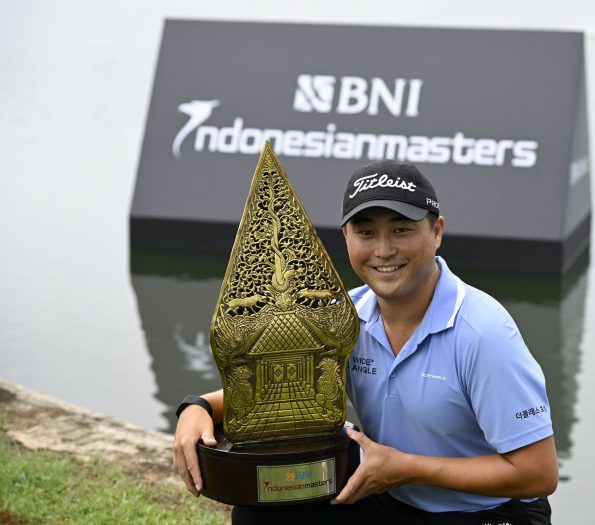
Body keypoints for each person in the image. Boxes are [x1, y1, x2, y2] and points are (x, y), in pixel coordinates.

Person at [173, 160, 558, 524]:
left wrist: (406, 467)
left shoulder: (484, 334)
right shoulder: (341, 316)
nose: (383, 250)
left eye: (402, 229)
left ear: (437, 231)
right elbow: (272, 386)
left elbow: (537, 474)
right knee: (264, 510)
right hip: (392, 496)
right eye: (366, 232)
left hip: (487, 513)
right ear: (346, 237)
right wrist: (199, 407)